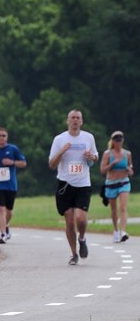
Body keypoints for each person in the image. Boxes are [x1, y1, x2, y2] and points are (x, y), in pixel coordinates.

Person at [48, 109, 98, 265]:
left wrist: (92, 157)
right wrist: (62, 152)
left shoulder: (88, 137)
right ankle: (73, 254)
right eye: (72, 118)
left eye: (78, 118)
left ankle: (82, 238)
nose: (75, 120)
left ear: (81, 121)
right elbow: (51, 164)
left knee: (81, 219)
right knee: (70, 222)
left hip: (83, 183)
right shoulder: (59, 139)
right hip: (65, 184)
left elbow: (95, 157)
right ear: (67, 121)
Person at [0, 127, 27, 244]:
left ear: (7, 137)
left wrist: (12, 162)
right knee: (0, 209)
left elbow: (23, 163)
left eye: (3, 136)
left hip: (10, 185)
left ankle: (6, 226)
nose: (1, 138)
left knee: (9, 211)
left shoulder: (13, 149)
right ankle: (2, 234)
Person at [100, 131, 134, 243]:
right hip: (111, 184)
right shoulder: (107, 154)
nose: (118, 141)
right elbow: (102, 170)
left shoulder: (127, 154)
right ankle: (115, 230)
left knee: (123, 207)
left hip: (124, 183)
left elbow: (131, 169)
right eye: (116, 139)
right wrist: (112, 164)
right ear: (112, 141)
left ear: (123, 140)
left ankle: (123, 231)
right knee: (114, 210)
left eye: (120, 139)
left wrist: (129, 170)